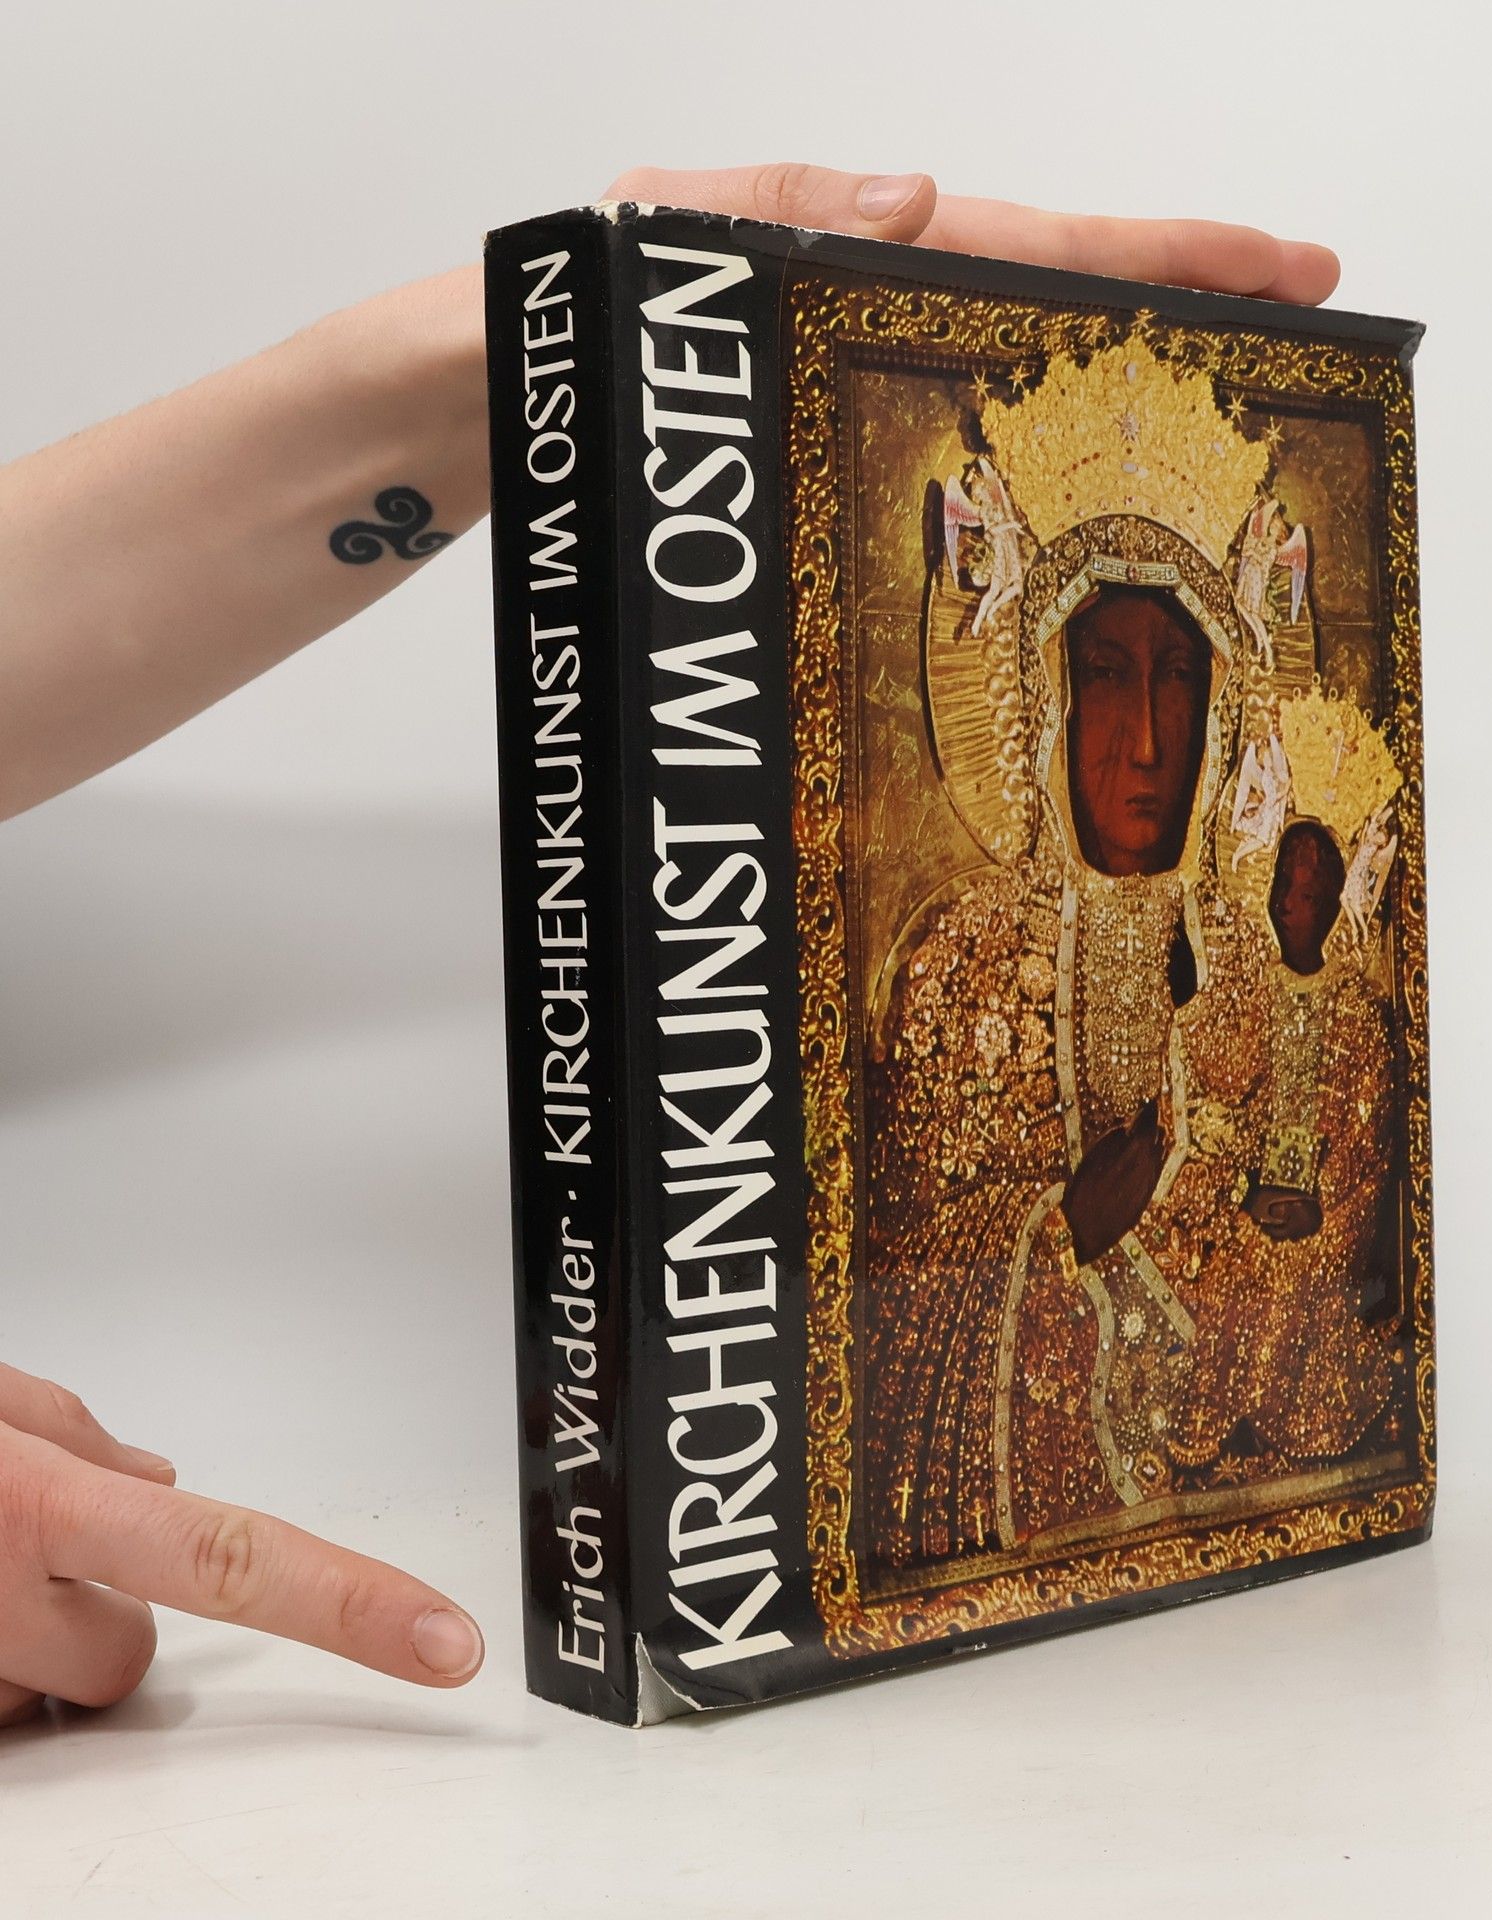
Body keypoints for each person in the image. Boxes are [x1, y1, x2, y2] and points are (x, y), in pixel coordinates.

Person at [0, 161, 1344, 1729]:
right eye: (1106, 679)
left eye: (1182, 686)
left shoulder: (1251, 964)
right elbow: (901, 1286)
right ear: (1039, 705)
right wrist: (1071, 1228)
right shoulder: (970, 950)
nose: (1147, 737)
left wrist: (540, 342)